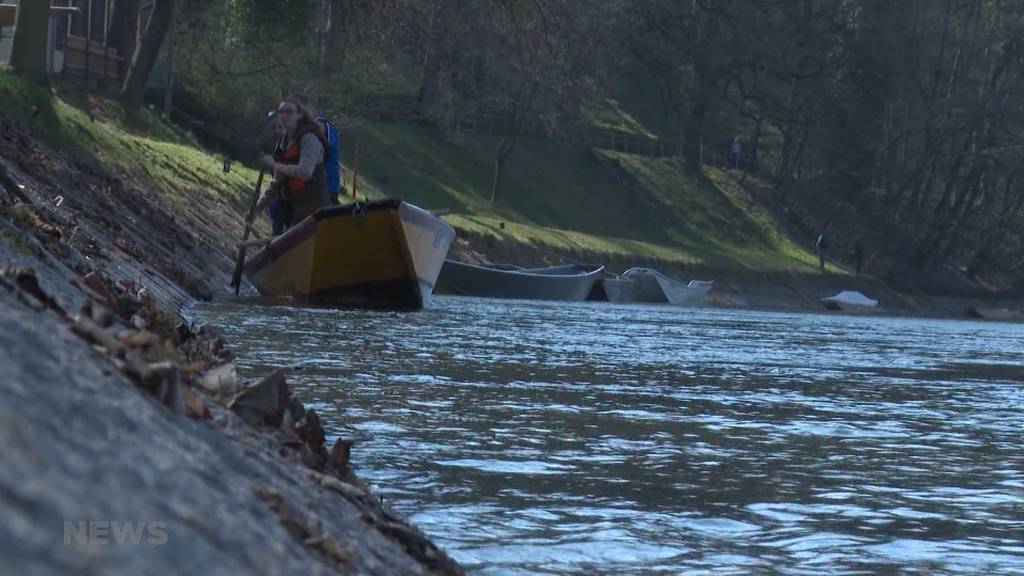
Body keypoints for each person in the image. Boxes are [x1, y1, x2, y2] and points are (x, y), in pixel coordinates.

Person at [259, 97, 330, 232]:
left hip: (314, 207)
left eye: (289, 111)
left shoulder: (309, 137)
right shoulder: (285, 140)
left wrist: (276, 165)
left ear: (300, 115)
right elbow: (277, 180)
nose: (284, 115)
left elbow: (305, 172)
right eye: (281, 112)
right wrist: (257, 209)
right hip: (294, 204)